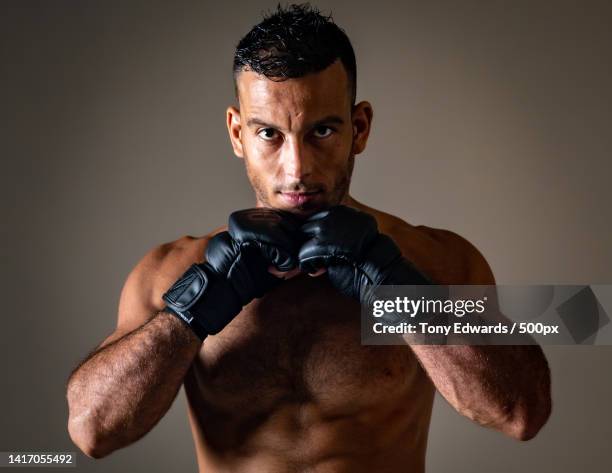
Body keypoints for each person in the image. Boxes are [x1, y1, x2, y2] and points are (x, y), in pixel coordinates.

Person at [66, 4, 551, 471]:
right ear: (237, 133)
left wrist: (400, 290)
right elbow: (93, 431)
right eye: (269, 134)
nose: (296, 170)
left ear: (358, 128)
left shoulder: (435, 261)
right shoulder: (170, 272)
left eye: (321, 131)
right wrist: (193, 306)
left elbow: (521, 412)